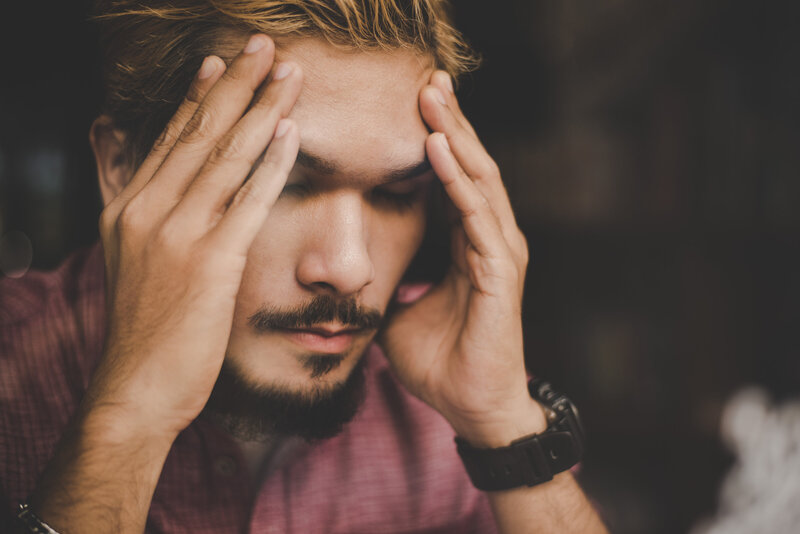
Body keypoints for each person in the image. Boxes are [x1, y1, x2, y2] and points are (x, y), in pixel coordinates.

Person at [0, 1, 608, 532]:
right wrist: (128, 419)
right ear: (122, 169)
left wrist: (504, 425)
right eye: (282, 181)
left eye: (396, 195)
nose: (349, 269)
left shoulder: (443, 404)